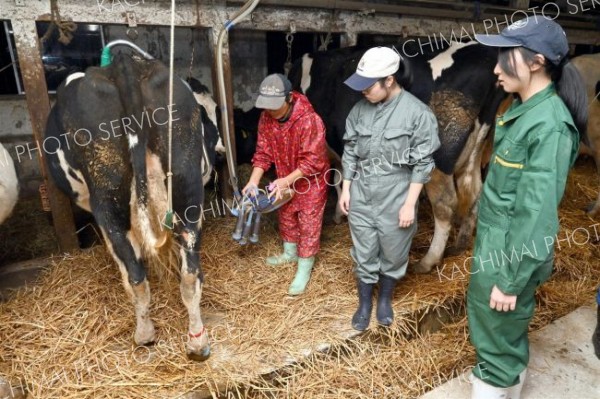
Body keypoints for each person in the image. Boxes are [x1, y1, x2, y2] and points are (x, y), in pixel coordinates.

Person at [468, 16, 588, 399]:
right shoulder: (524, 111)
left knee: (495, 347)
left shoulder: (549, 126)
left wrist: (511, 280)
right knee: (500, 337)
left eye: (505, 56)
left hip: (509, 255)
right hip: (497, 243)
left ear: (536, 62)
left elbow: (536, 215)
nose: (495, 68)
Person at [339, 47, 440, 331]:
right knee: (364, 251)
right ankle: (364, 303)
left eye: (368, 86)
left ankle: (384, 300)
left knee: (394, 253)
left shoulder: (417, 113)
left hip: (397, 193)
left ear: (390, 80)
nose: (363, 92)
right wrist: (346, 189)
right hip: (361, 191)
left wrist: (410, 204)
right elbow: (350, 152)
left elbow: (422, 163)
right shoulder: (359, 110)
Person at [242, 73, 329, 296]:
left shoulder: (310, 121)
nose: (270, 110)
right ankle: (289, 253)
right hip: (284, 177)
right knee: (287, 215)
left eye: (275, 105)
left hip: (311, 182)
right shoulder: (266, 118)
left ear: (289, 98)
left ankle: (304, 268)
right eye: (266, 105)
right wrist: (253, 181)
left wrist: (287, 180)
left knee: (308, 223)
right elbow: (263, 152)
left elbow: (314, 161)